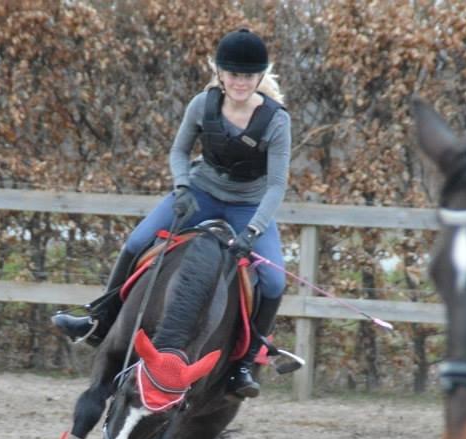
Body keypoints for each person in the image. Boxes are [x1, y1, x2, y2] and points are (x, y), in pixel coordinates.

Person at [52, 27, 291, 399]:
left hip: (247, 206)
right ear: (220, 73)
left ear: (259, 77)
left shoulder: (276, 121)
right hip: (199, 195)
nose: (240, 82)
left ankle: (245, 361)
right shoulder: (202, 104)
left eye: (247, 76)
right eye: (233, 74)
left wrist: (254, 232)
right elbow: (179, 152)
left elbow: (276, 185)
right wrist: (181, 187)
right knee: (137, 241)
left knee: (275, 283)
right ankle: (100, 318)